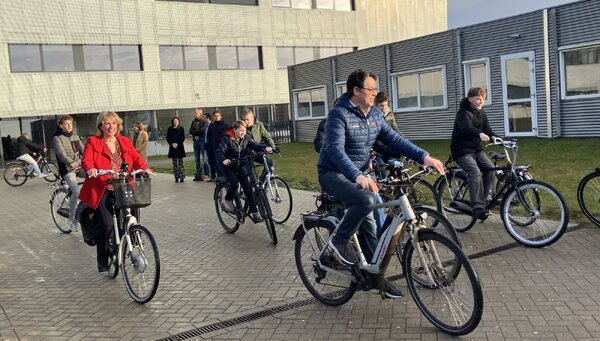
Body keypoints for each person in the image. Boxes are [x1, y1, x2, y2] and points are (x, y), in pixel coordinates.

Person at [318, 70, 445, 298]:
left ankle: (375, 278)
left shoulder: (374, 114)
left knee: (374, 226)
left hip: (362, 175)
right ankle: (337, 243)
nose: (375, 94)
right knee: (366, 201)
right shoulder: (339, 115)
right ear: (356, 90)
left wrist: (424, 156)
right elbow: (334, 150)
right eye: (371, 89)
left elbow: (395, 140)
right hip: (333, 173)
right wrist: (357, 175)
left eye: (376, 89)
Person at [79, 111, 150, 272]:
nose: (110, 126)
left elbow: (136, 158)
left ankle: (129, 243)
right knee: (107, 224)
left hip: (123, 185)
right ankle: (103, 258)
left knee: (129, 218)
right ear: (101, 126)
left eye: (113, 123)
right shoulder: (93, 141)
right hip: (102, 187)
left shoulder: (124, 141)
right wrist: (90, 169)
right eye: (107, 123)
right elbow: (87, 160)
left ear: (118, 125)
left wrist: (146, 169)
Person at [450, 87, 499, 221]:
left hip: (476, 149)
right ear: (470, 99)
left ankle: (482, 202)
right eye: (478, 98)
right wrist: (479, 133)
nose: (480, 101)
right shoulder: (462, 113)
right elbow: (466, 129)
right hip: (461, 150)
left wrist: (500, 140)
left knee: (490, 169)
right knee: (475, 173)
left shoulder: (481, 112)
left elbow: (488, 131)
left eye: (483, 99)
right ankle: (477, 208)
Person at [217, 120, 273, 222]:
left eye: (244, 130)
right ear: (234, 130)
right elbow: (220, 150)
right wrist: (223, 159)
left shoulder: (246, 137)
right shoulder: (227, 138)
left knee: (248, 188)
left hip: (240, 165)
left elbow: (255, 146)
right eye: (241, 130)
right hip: (229, 165)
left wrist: (267, 148)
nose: (243, 132)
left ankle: (254, 212)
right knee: (234, 184)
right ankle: (227, 200)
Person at [53, 115, 85, 232]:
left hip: (79, 166)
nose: (69, 126)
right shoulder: (57, 138)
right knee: (76, 190)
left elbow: (84, 150)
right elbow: (61, 154)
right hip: (67, 169)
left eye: (71, 123)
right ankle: (72, 219)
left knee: (95, 177)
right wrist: (71, 162)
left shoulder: (75, 137)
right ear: (61, 125)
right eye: (67, 124)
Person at [243, 108, 275, 177]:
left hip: (256, 152)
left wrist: (273, 147)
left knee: (269, 163)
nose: (246, 122)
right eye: (244, 120)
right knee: (253, 176)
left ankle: (262, 183)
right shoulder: (242, 127)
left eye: (247, 119)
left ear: (252, 118)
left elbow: (267, 137)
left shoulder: (259, 125)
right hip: (246, 154)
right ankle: (254, 185)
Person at [189, 108, 211, 181]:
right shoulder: (193, 121)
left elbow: (202, 132)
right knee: (197, 159)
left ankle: (207, 174)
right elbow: (190, 131)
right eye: (194, 113)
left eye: (196, 113)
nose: (195, 114)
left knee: (205, 159)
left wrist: (195, 131)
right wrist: (197, 131)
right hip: (195, 142)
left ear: (200, 113)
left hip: (202, 142)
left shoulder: (204, 122)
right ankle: (198, 175)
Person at [206, 110, 228, 180]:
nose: (216, 117)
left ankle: (226, 176)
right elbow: (209, 137)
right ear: (213, 117)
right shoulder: (212, 126)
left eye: (218, 116)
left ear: (220, 116)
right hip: (215, 147)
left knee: (224, 162)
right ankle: (220, 176)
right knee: (217, 163)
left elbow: (228, 135)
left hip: (224, 147)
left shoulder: (224, 125)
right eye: (215, 116)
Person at [166, 116, 186, 183]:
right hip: (172, 148)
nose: (176, 122)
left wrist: (177, 144)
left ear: (178, 122)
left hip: (180, 147)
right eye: (174, 121)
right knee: (174, 164)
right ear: (173, 122)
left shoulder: (181, 129)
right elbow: (168, 138)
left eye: (177, 121)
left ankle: (182, 176)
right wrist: (172, 143)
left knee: (180, 163)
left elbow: (182, 138)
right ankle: (176, 177)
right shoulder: (169, 129)